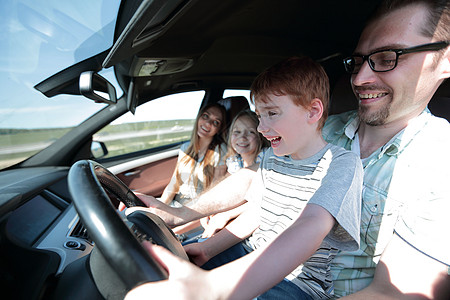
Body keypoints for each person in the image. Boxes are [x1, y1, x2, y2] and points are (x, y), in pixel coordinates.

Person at [127, 0, 450, 298]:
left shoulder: (438, 164)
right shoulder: (327, 129)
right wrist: (186, 215)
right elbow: (259, 182)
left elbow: (394, 293)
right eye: (358, 62)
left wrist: (215, 288)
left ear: (445, 60)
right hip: (254, 255)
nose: (360, 78)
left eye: (386, 58)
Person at [127, 56, 364, 299]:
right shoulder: (273, 157)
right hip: (248, 252)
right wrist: (208, 249)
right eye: (260, 116)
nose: (262, 127)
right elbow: (259, 212)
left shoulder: (341, 163)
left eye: (272, 113)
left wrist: (214, 287)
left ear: (313, 111)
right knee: (163, 275)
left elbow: (312, 225)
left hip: (299, 282)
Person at [200, 110, 269, 238]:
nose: (242, 137)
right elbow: (225, 191)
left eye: (251, 132)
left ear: (261, 136)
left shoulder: (265, 158)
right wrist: (208, 211)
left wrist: (227, 214)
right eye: (236, 132)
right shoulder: (234, 161)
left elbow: (263, 199)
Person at [159, 103, 228, 207]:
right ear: (199, 117)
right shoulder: (186, 148)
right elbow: (174, 184)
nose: (208, 123)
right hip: (177, 203)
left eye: (215, 122)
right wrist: (160, 208)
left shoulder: (220, 151)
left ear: (219, 129)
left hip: (197, 209)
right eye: (205, 116)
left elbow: (213, 193)